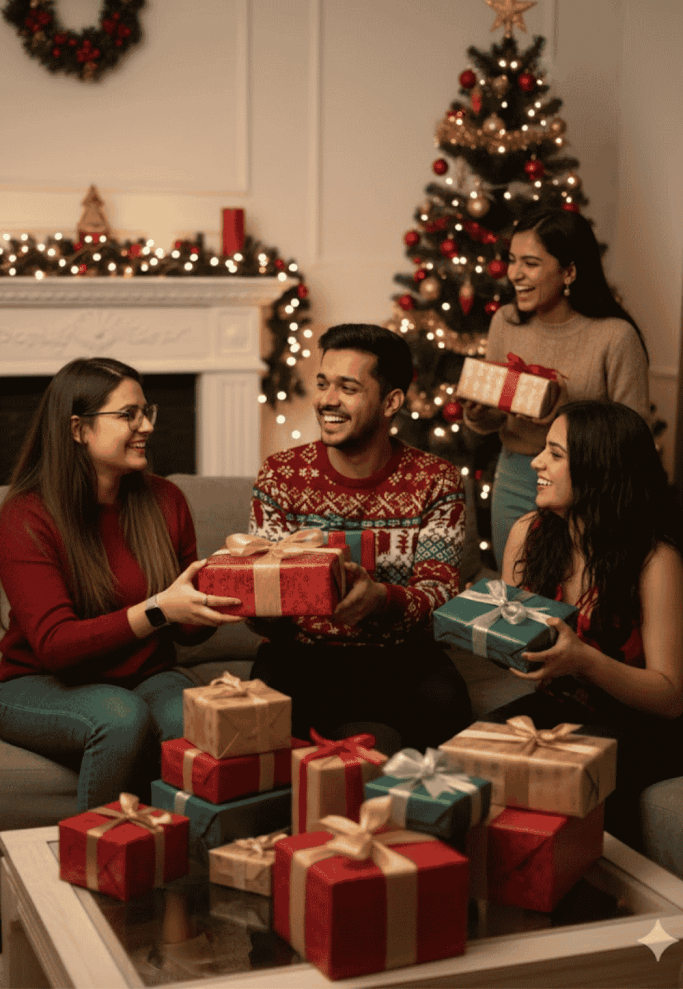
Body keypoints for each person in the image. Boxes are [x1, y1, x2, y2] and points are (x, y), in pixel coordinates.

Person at [0, 357, 241, 811]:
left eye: (146, 411)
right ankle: (100, 862)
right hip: (39, 680)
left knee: (199, 718)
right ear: (78, 429)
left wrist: (222, 597)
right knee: (120, 718)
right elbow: (55, 645)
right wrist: (159, 609)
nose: (145, 426)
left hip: (146, 675)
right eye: (128, 415)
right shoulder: (25, 515)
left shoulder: (165, 500)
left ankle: (189, 865)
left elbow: (186, 631)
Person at [248, 323, 472, 753]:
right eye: (323, 384)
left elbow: (441, 597)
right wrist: (259, 599)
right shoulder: (281, 474)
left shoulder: (435, 479)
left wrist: (382, 599)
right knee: (257, 718)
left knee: (448, 705)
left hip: (400, 657)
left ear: (391, 402)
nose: (327, 400)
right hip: (301, 655)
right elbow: (264, 608)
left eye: (347, 387)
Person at [487, 399, 683, 849]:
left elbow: (671, 696)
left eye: (555, 454)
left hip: (642, 726)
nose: (536, 461)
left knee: (566, 792)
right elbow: (511, 646)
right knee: (469, 759)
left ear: (599, 469)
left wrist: (583, 661)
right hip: (560, 711)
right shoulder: (527, 535)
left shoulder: (655, 560)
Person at [462, 207, 650, 568]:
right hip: (516, 476)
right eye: (512, 260)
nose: (515, 273)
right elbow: (496, 420)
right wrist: (481, 414)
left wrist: (567, 410)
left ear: (570, 271)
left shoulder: (616, 337)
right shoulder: (505, 321)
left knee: (575, 592)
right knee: (518, 592)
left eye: (530, 263)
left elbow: (632, 437)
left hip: (588, 486)